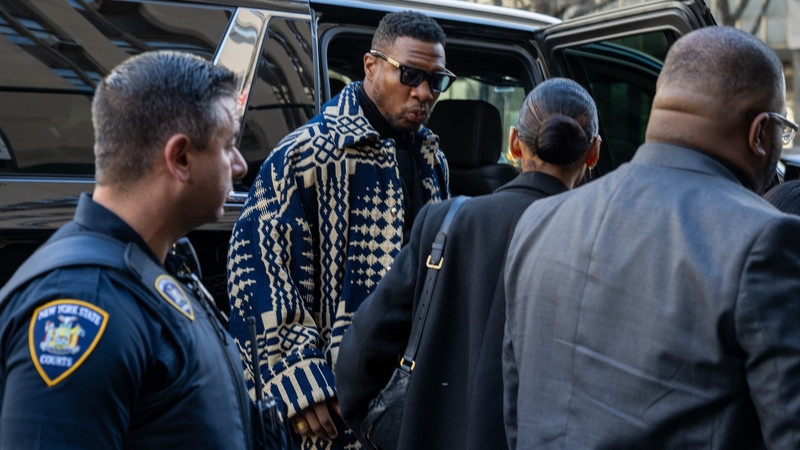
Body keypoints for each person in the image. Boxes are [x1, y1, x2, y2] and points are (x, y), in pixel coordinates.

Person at [503, 26, 800, 449]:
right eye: (782, 131)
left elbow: (517, 411)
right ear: (759, 133)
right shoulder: (765, 239)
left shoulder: (540, 221)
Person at [0, 51, 254, 448]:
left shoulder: (158, 266)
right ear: (181, 158)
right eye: (228, 145)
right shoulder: (84, 300)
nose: (239, 165)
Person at [227, 10, 453, 450]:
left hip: (409, 392)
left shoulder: (433, 161)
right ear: (371, 66)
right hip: (330, 401)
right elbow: (254, 267)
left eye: (436, 80)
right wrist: (295, 373)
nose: (423, 92)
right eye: (409, 74)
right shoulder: (309, 153)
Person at [335, 78, 601, 450]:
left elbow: (359, 357)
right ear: (593, 153)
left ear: (513, 144)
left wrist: (389, 428)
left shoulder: (444, 222)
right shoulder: (603, 245)